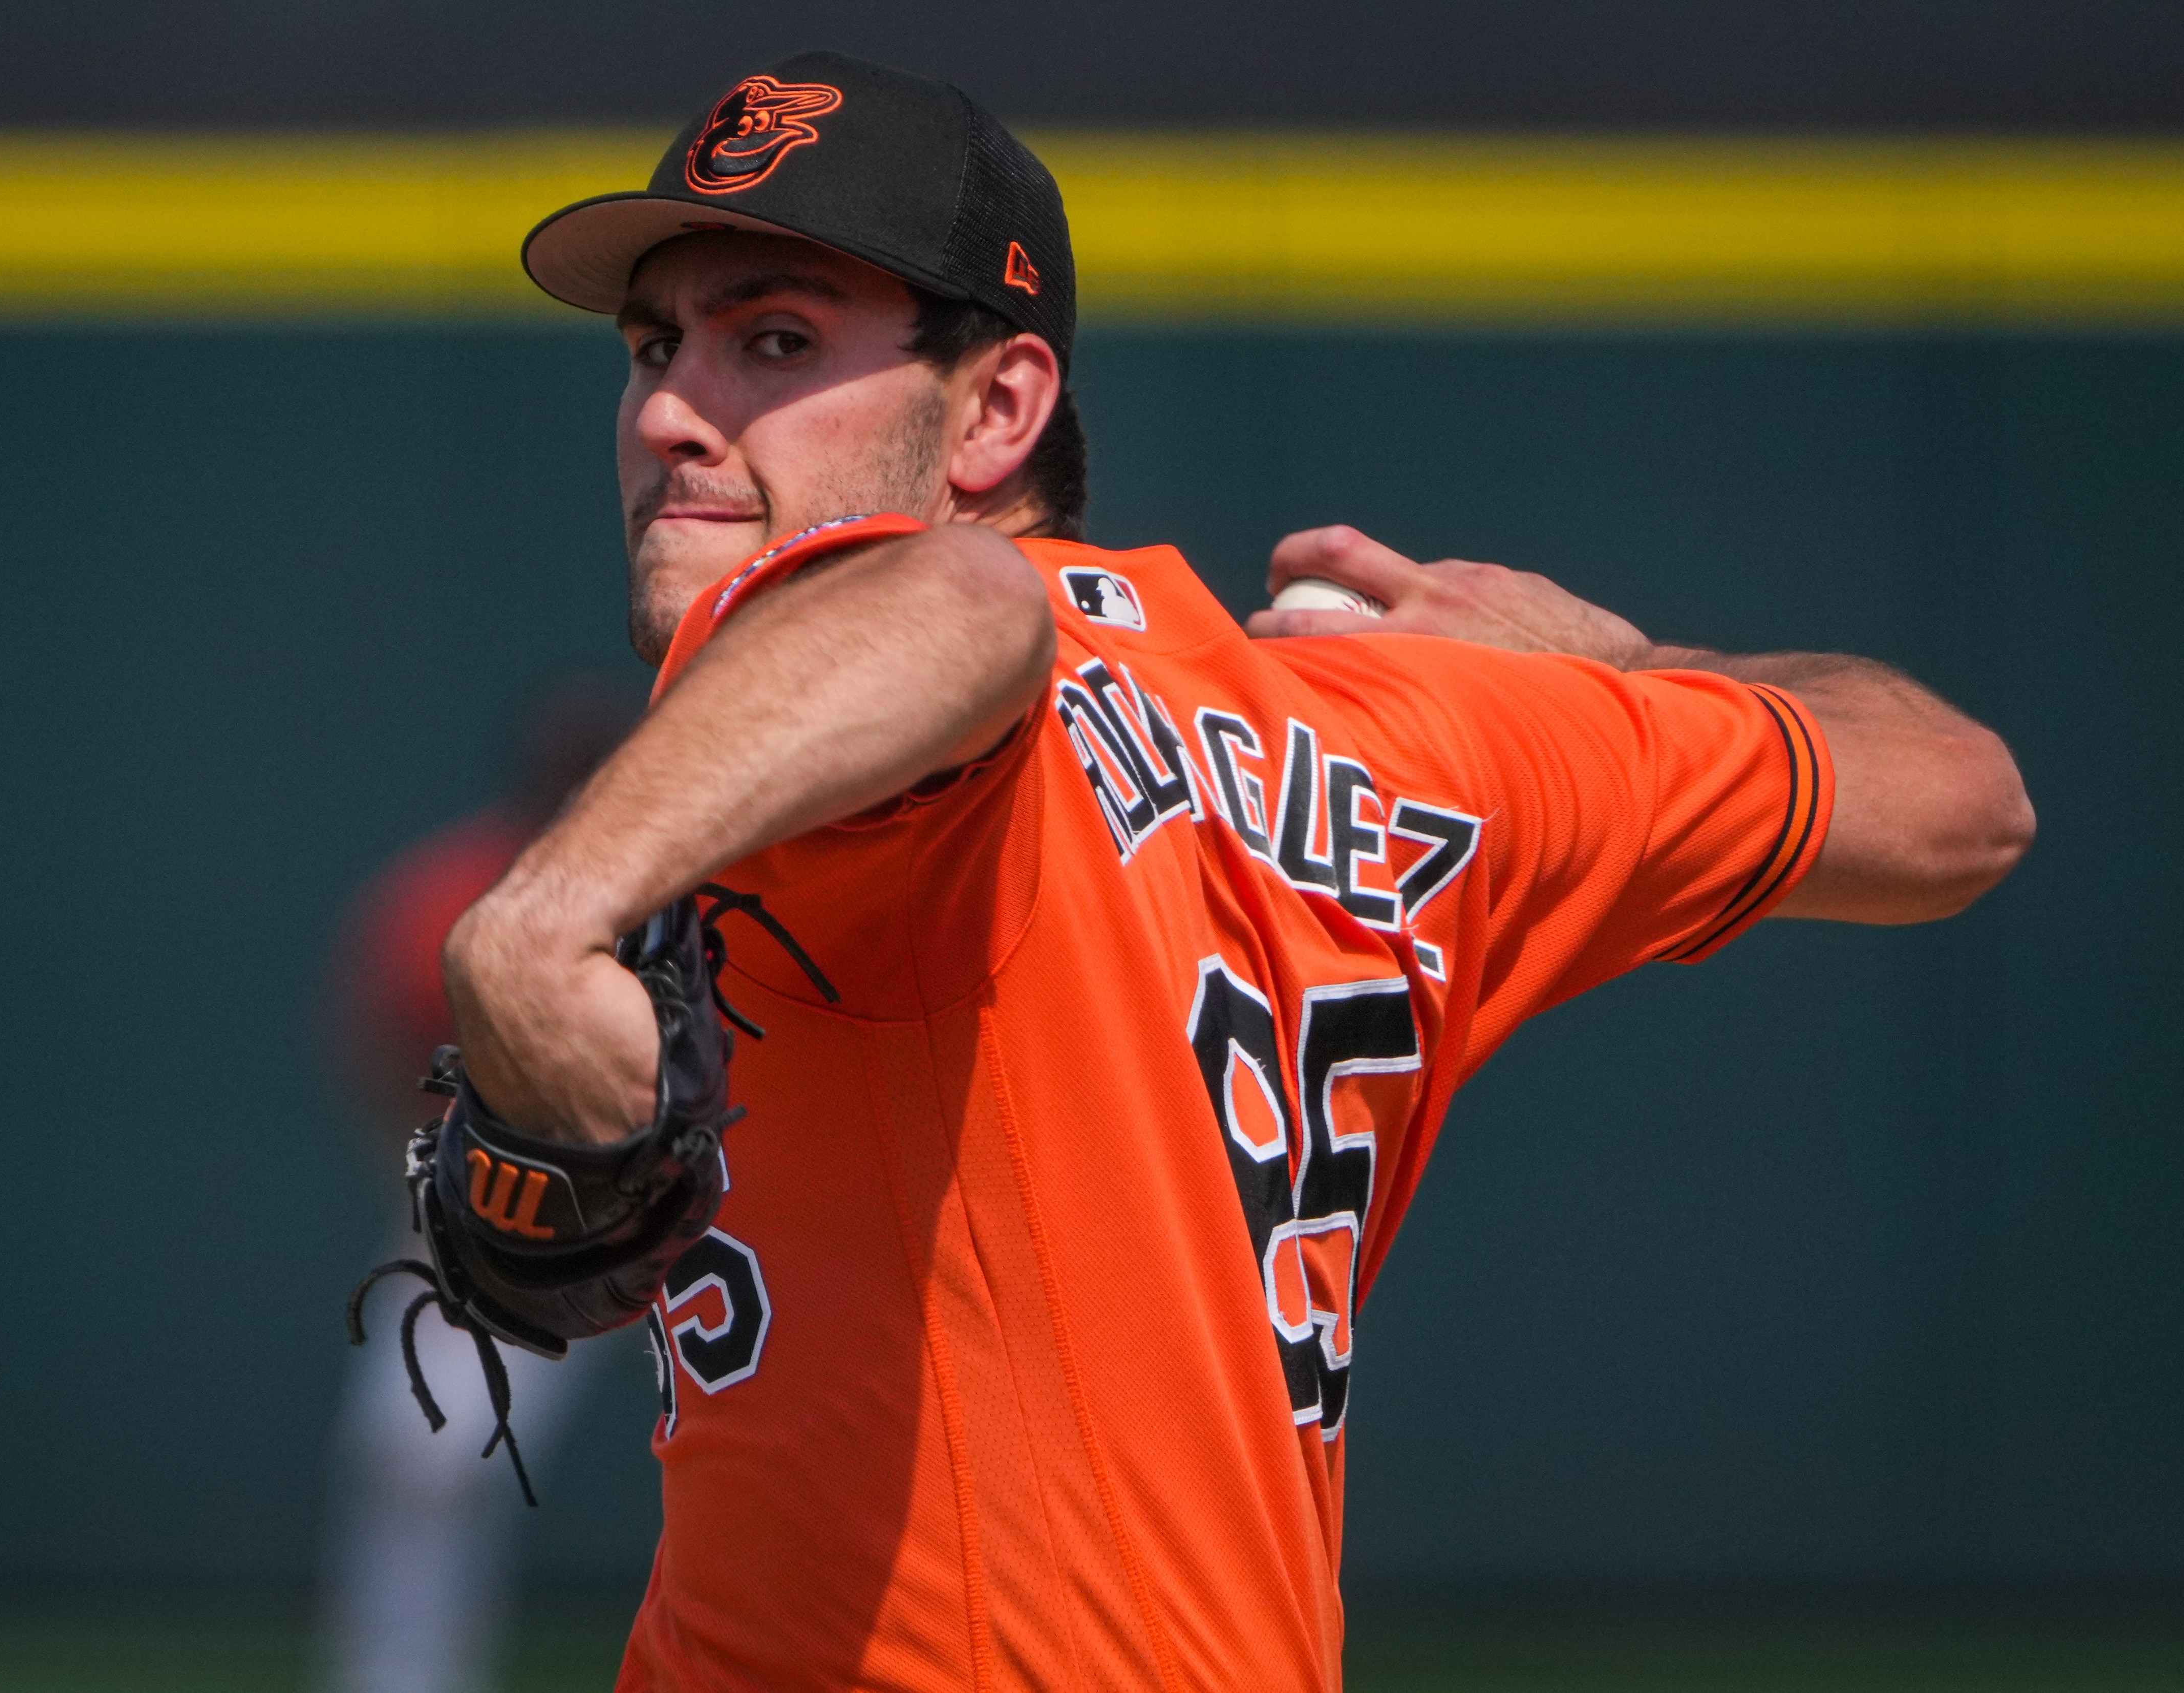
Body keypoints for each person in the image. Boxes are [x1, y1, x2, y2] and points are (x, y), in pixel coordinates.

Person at [434, 51, 2034, 1690]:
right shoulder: (1402, 735)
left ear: (997, 410)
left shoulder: (871, 684)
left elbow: (970, 614)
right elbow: (1967, 798)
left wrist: (539, 921)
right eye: (653, 347)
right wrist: (1626, 666)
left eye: (774, 342)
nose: (667, 413)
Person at [318, 682, 643, 1693]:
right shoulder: (455, 893)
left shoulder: (694, 888)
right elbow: (369, 1031)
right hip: (519, 1218)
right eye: (559, 773)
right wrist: (426, 1176)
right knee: (415, 1459)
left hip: (692, 1214)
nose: (572, 788)